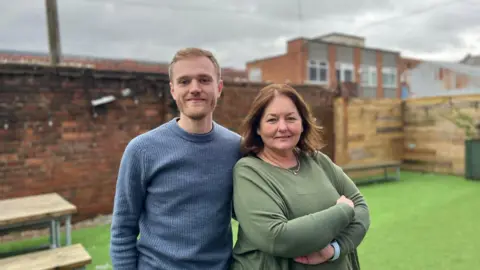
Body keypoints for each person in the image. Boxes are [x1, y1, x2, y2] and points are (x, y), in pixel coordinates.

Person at [110, 47, 242, 270]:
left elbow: (255, 215)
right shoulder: (142, 150)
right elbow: (123, 229)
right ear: (172, 90)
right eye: (184, 81)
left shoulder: (236, 148)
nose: (195, 89)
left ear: (219, 88)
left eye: (204, 80)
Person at [230, 83, 370, 270]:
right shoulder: (248, 171)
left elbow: (361, 208)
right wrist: (343, 211)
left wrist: (335, 249)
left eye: (291, 118)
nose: (283, 127)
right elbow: (277, 238)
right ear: (257, 128)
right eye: (272, 120)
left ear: (303, 123)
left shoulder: (318, 161)